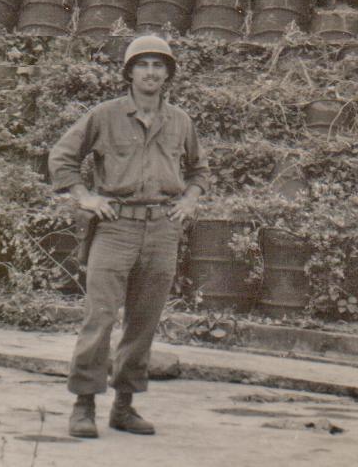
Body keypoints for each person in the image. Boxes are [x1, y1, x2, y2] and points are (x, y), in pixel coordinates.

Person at [48, 34, 209, 439]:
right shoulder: (104, 116)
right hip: (115, 227)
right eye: (143, 65)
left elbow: (199, 171)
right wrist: (83, 196)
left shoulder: (181, 121)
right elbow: (62, 156)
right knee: (99, 317)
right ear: (130, 73)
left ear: (168, 74)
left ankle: (124, 406)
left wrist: (190, 200)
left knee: (144, 321)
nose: (151, 73)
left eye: (159, 66)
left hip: (161, 230)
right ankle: (83, 405)